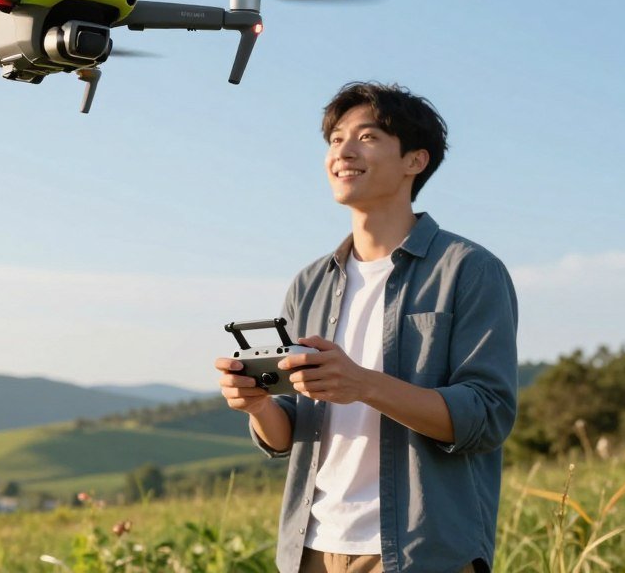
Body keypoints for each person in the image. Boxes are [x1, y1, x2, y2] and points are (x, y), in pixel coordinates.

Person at [215, 82, 518, 573]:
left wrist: (363, 384)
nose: (343, 151)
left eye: (368, 137)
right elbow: (292, 430)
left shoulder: (468, 269)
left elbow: (486, 416)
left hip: (421, 551)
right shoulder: (310, 282)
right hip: (310, 546)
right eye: (335, 139)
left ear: (415, 161)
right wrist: (258, 405)